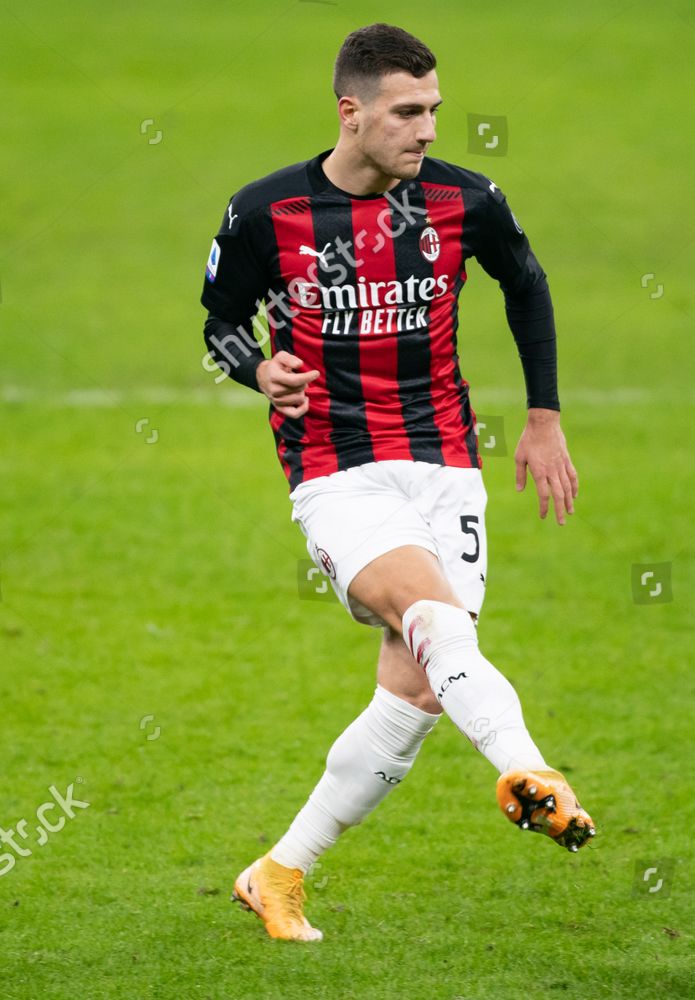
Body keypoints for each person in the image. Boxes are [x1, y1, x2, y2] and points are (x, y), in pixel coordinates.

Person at [199, 22, 596, 942]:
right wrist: (254, 372)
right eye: (408, 112)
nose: (426, 130)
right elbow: (220, 324)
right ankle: (529, 770)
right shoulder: (265, 214)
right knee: (433, 617)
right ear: (352, 111)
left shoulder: (465, 201)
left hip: (447, 465)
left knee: (417, 694)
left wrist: (543, 418)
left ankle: (278, 871)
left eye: (433, 111)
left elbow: (525, 283)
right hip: (336, 470)